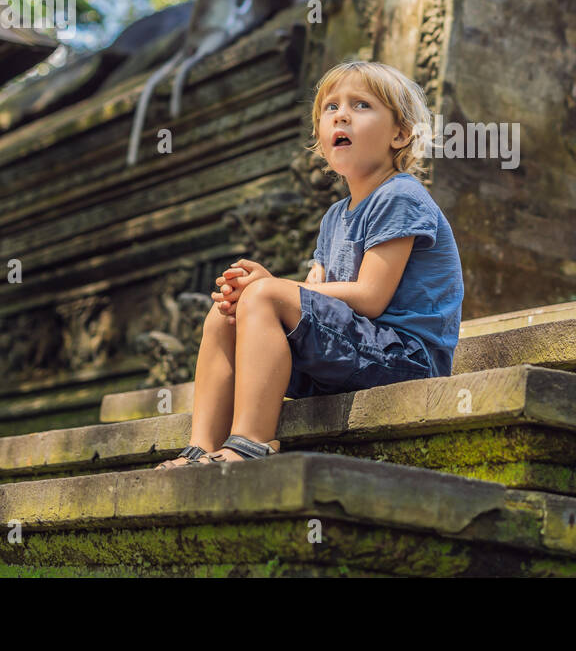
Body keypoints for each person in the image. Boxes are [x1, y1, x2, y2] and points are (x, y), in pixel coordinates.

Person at [155, 59, 465, 467]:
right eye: (330, 108)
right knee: (225, 313)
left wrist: (274, 287)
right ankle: (201, 448)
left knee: (264, 294)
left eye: (361, 105)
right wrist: (263, 293)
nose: (341, 115)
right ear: (321, 138)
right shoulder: (335, 217)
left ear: (401, 133)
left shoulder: (400, 196)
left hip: (403, 359)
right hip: (354, 352)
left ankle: (250, 441)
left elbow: (370, 298)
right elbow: (312, 305)